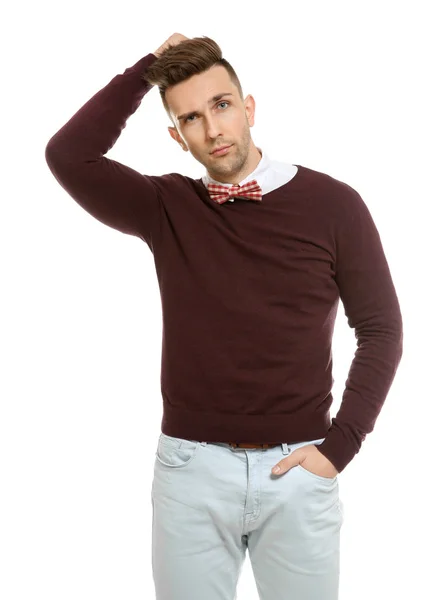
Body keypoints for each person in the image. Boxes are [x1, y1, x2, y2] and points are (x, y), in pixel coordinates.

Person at [45, 33, 404, 600]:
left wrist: (341, 447)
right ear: (176, 136)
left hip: (299, 469)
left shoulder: (335, 204)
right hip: (190, 473)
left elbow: (381, 330)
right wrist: (145, 71)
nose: (212, 129)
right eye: (190, 117)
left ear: (248, 107)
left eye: (221, 105)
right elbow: (68, 156)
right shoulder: (166, 207)